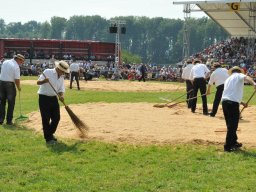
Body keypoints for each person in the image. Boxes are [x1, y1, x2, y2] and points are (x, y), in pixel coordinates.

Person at [222, 66, 256, 152]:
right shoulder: (239, 75)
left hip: (225, 102)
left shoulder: (228, 79)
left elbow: (230, 93)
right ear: (239, 71)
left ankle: (234, 141)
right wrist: (254, 84)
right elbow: (247, 77)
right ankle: (228, 146)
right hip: (232, 103)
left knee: (230, 124)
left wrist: (241, 102)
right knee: (233, 125)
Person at [37, 60, 70, 144]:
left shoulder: (61, 77)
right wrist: (44, 81)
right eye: (63, 71)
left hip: (53, 99)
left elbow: (61, 89)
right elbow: (38, 82)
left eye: (64, 72)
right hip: (44, 98)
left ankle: (50, 133)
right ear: (58, 68)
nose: (63, 73)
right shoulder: (47, 72)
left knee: (56, 117)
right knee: (46, 118)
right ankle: (48, 138)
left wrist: (61, 95)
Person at [0, 54, 25, 125]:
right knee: (11, 103)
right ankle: (9, 121)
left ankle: (1, 119)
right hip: (9, 85)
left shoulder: (5, 62)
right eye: (22, 61)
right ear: (18, 59)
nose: (22, 63)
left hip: (1, 83)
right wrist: (19, 87)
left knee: (2, 102)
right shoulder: (16, 66)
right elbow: (17, 79)